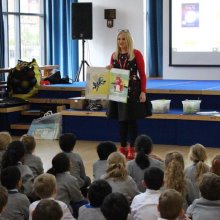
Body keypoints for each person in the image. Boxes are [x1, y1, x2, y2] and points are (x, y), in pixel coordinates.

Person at [106, 29, 148, 160]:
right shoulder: (114, 55)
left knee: (132, 121)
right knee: (121, 120)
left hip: (133, 91)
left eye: (123, 39)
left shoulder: (136, 54)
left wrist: (143, 91)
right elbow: (113, 75)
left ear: (128, 40)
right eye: (119, 39)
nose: (121, 41)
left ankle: (132, 148)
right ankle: (122, 146)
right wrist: (109, 70)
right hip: (119, 90)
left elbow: (142, 74)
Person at [47, 152, 88, 218]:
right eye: (70, 162)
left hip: (46, 208)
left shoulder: (48, 176)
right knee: (84, 203)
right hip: (61, 211)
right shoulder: (70, 179)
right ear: (67, 165)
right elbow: (78, 198)